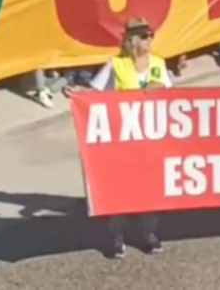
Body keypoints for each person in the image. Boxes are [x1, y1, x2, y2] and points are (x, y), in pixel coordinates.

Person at [69, 18, 171, 259]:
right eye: (144, 36)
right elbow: (95, 93)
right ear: (132, 40)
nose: (149, 40)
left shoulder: (159, 63)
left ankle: (150, 233)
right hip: (123, 138)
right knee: (121, 187)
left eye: (151, 35)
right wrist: (76, 93)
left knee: (150, 187)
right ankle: (116, 236)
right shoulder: (116, 65)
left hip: (151, 136)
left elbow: (172, 94)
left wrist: (160, 88)